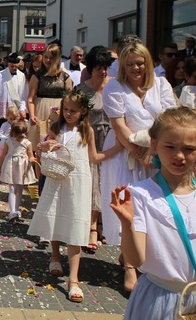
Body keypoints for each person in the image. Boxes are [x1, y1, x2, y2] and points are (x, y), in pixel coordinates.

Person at [111, 107, 196, 319]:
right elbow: (136, 259)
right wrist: (127, 225)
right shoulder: (141, 194)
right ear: (154, 144)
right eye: (170, 147)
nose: (179, 156)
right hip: (159, 299)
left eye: (189, 149)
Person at [101, 42, 176, 291]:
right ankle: (130, 268)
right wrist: (137, 151)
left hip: (157, 151)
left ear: (148, 63)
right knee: (129, 205)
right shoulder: (114, 87)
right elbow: (119, 125)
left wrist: (156, 152)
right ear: (123, 65)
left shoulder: (162, 85)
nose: (136, 68)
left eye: (140, 63)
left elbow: (170, 118)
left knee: (154, 206)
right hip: (126, 153)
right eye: (130, 63)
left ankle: (139, 256)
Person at [27, 90, 96, 304]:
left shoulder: (88, 131)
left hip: (79, 180)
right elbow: (43, 151)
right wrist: (45, 147)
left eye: (73, 110)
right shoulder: (57, 128)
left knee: (76, 224)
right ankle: (55, 255)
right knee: (56, 216)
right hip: (58, 177)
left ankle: (73, 279)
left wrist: (118, 150)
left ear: (83, 111)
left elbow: (94, 156)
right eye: (65, 109)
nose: (68, 113)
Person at [74, 46, 114, 252]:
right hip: (90, 138)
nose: (103, 71)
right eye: (99, 67)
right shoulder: (82, 89)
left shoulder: (115, 86)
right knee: (93, 180)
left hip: (112, 138)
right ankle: (92, 227)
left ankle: (105, 224)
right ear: (91, 68)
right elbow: (74, 116)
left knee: (109, 179)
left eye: (106, 67)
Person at [27, 44, 72, 154]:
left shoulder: (65, 77)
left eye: (51, 57)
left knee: (59, 144)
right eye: (45, 57)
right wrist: (32, 115)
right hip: (41, 112)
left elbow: (71, 99)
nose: (47, 60)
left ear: (57, 58)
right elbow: (30, 99)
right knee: (40, 146)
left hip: (59, 112)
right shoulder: (37, 76)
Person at [0, 120, 37, 222]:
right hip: (11, 165)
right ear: (13, 132)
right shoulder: (9, 141)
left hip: (22, 167)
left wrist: (31, 159)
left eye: (22, 134)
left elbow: (31, 155)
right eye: (18, 134)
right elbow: (3, 155)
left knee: (19, 189)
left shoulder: (27, 143)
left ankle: (17, 209)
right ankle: (12, 211)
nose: (20, 136)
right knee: (12, 188)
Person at [0, 52, 28, 145]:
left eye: (16, 66)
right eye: (12, 66)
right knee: (1, 127)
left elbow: (23, 93)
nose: (14, 68)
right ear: (8, 64)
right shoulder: (1, 74)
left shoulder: (22, 75)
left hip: (15, 105)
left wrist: (22, 108)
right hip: (3, 106)